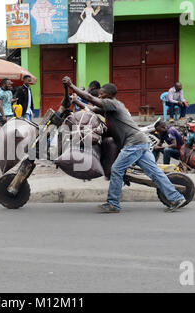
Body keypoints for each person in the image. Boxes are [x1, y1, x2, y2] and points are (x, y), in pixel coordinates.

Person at [62, 76, 187, 213]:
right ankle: (176, 198)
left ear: (109, 95)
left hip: (133, 143)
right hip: (141, 142)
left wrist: (71, 85)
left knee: (116, 169)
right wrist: (74, 100)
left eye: (102, 93)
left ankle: (113, 203)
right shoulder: (109, 107)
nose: (99, 95)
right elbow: (90, 108)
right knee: (155, 173)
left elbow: (91, 99)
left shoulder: (112, 103)